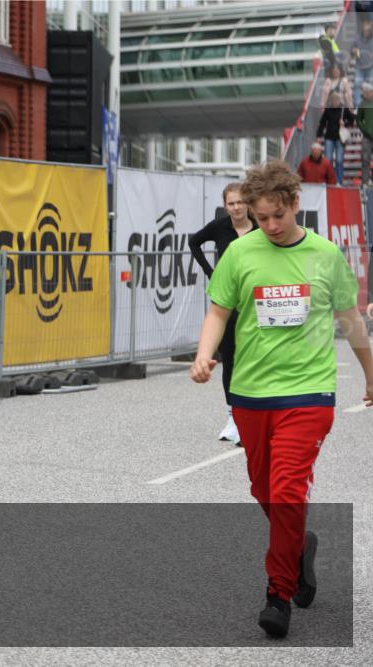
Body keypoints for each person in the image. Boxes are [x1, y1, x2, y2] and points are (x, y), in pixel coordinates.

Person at [190, 160, 373, 639]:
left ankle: (278, 594)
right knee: (263, 489)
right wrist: (205, 355)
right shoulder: (240, 253)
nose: (270, 225)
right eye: (261, 217)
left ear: (295, 204)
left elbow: (351, 319)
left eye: (278, 215)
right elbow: (218, 311)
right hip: (251, 392)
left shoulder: (325, 255)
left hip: (309, 391)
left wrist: (371, 376)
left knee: (288, 490)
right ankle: (299, 547)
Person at [188, 183, 258, 445]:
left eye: (240, 202)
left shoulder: (260, 228)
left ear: (248, 203)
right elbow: (194, 242)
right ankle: (233, 417)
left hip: (253, 303)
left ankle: (250, 417)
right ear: (225, 206)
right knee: (229, 359)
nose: (237, 207)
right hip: (227, 303)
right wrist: (211, 272)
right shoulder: (219, 227)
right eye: (231, 203)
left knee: (250, 358)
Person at [316, 92, 355, 185]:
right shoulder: (328, 110)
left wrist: (345, 123)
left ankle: (339, 180)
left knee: (339, 160)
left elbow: (352, 120)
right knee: (328, 159)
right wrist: (319, 135)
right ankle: (329, 179)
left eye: (336, 100)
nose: (334, 102)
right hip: (329, 137)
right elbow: (322, 123)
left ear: (339, 100)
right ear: (330, 101)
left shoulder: (344, 109)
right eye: (333, 100)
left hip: (340, 138)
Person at [351, 17, 373, 108]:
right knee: (357, 85)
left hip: (371, 67)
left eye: (369, 25)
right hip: (359, 67)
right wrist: (355, 51)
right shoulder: (357, 39)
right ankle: (358, 105)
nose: (367, 28)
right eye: (365, 25)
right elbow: (352, 52)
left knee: (371, 86)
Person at [355, 82, 373, 184]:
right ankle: (365, 182)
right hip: (366, 137)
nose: (368, 94)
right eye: (367, 92)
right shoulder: (362, 104)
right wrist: (364, 130)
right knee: (365, 160)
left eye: (370, 92)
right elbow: (358, 120)